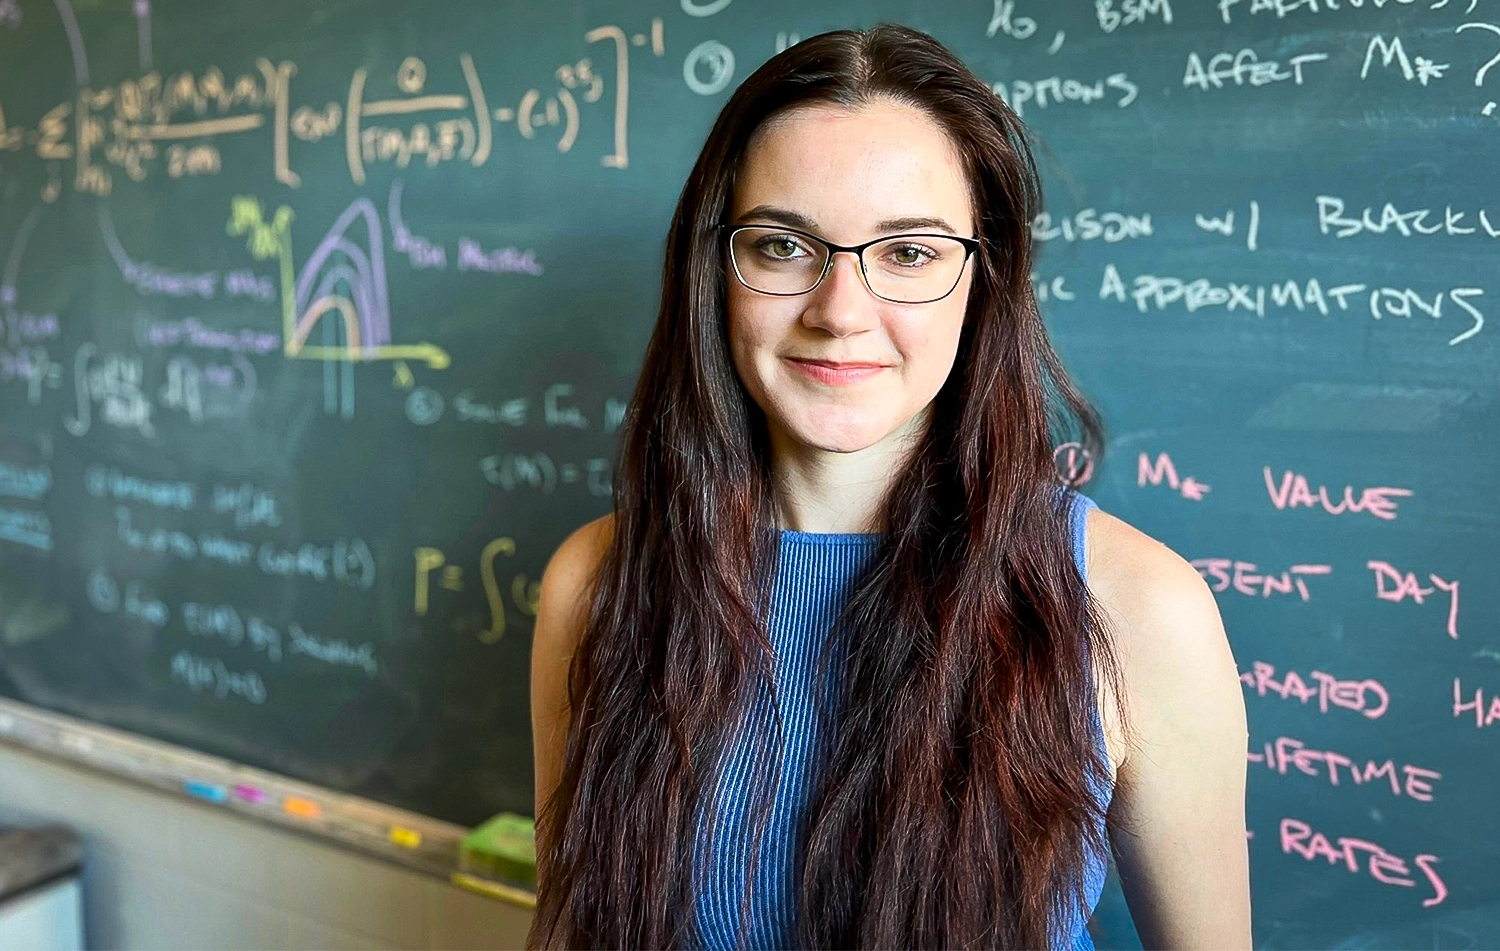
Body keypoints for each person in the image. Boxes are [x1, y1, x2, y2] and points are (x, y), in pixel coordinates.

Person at [528, 22, 1250, 951]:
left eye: (908, 252)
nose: (839, 310)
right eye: (785, 245)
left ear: (981, 282)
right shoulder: (592, 583)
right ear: (716, 269)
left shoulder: (1138, 608)